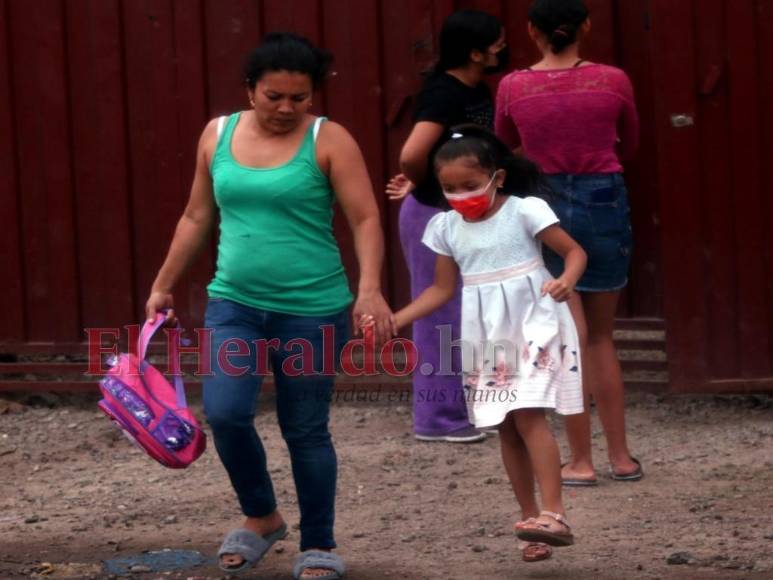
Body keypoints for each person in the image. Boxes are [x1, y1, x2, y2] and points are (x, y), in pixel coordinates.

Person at [144, 33, 393, 580]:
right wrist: (164, 283)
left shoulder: (330, 139)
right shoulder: (217, 134)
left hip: (312, 309)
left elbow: (366, 218)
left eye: (298, 99)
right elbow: (195, 216)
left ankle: (319, 543)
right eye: (273, 96)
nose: (285, 109)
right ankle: (262, 516)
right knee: (228, 413)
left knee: (304, 428)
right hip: (233, 301)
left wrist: (370, 289)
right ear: (249, 90)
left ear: (312, 97)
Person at [369, 126, 587, 563]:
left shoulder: (525, 211)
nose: (459, 195)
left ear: (497, 177)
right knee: (505, 423)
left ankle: (555, 513)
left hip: (533, 322)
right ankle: (532, 524)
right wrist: (395, 320)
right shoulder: (445, 228)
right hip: (485, 335)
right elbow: (440, 291)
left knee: (528, 416)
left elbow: (575, 252)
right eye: (449, 188)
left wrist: (565, 281)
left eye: (469, 185)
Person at [495, 0, 642, 487]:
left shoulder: (513, 85)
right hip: (603, 197)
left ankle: (581, 461)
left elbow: (506, 143)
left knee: (567, 335)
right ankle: (621, 457)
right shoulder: (613, 80)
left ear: (532, 31)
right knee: (601, 336)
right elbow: (631, 143)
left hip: (543, 202)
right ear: (586, 27)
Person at [385, 10, 508, 443]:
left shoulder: (478, 89)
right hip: (434, 216)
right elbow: (412, 152)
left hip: (463, 214)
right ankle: (438, 419)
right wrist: (426, 185)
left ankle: (464, 406)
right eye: (496, 42)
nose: (501, 49)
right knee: (440, 313)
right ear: (475, 52)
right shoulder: (444, 93)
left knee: (465, 312)